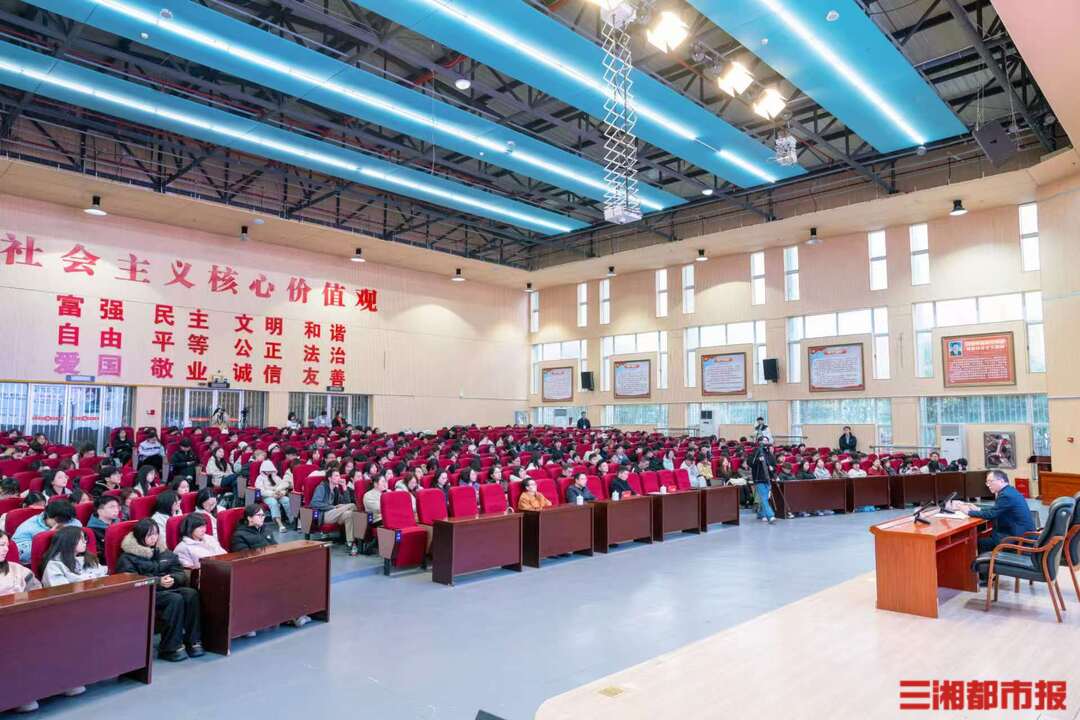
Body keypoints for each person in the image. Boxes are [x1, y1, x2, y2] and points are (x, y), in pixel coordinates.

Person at [115, 518, 203, 661]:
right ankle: (170, 647)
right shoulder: (128, 557)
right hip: (146, 593)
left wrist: (173, 578)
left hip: (169, 588)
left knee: (191, 594)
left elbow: (179, 572)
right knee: (175, 599)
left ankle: (193, 640)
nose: (153, 538)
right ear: (140, 536)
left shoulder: (164, 551)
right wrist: (158, 582)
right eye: (149, 535)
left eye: (156, 534)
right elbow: (130, 581)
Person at [227, 506, 311, 629]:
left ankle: (302, 610)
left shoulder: (265, 530)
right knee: (283, 579)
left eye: (263, 515)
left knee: (300, 571)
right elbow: (245, 559)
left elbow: (276, 547)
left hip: (271, 566)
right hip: (255, 571)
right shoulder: (239, 535)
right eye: (259, 515)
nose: (263, 518)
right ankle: (292, 616)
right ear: (249, 518)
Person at [950, 470, 1035, 555]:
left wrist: (968, 512)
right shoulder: (1010, 491)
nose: (988, 485)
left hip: (1016, 539)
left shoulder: (1006, 495)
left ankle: (984, 562)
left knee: (976, 543)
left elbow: (992, 514)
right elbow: (996, 509)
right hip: (1021, 534)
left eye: (990, 481)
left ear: (1001, 481)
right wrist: (978, 509)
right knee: (984, 537)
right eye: (987, 482)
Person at [13, 499, 81, 562]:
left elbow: (77, 525)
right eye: (59, 520)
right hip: (44, 563)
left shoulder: (69, 520)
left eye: (67, 520)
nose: (63, 523)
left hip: (68, 558)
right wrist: (46, 537)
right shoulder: (27, 528)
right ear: (47, 516)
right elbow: (21, 554)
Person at [311, 469, 359, 555]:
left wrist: (344, 488)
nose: (339, 478)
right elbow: (314, 503)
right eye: (336, 476)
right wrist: (333, 507)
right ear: (329, 478)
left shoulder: (335, 490)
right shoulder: (321, 487)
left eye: (339, 475)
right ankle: (359, 537)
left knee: (349, 514)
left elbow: (346, 502)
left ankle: (350, 543)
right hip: (324, 515)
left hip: (335, 514)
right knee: (352, 505)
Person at [41, 525, 107, 587]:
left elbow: (104, 577)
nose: (85, 542)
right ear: (69, 542)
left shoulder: (86, 558)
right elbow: (61, 590)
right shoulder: (54, 566)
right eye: (81, 539)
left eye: (85, 538)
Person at [255, 459, 293, 533]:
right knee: (273, 503)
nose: (269, 471)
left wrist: (282, 493)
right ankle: (280, 524)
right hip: (267, 496)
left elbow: (283, 486)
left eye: (270, 470)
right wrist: (272, 494)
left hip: (278, 495)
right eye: (267, 470)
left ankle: (291, 520)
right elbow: (261, 491)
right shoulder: (260, 478)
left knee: (287, 500)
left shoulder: (276, 477)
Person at [0, 529, 40, 594]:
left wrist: (18, 597)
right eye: (2, 545)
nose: (6, 549)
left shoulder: (16, 569)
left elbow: (37, 591)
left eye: (7, 545)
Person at [748, 438, 777, 524]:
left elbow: (774, 465)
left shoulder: (769, 453)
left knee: (766, 497)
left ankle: (761, 513)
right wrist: (758, 460)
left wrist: (772, 468)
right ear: (759, 442)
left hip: (768, 478)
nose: (765, 442)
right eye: (763, 440)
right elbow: (750, 463)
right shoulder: (755, 452)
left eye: (766, 440)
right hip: (759, 478)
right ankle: (770, 515)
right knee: (764, 497)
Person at [87, 494, 121, 563]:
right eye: (112, 507)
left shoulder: (119, 523)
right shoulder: (92, 531)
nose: (116, 510)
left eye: (117, 507)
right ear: (100, 511)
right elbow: (100, 555)